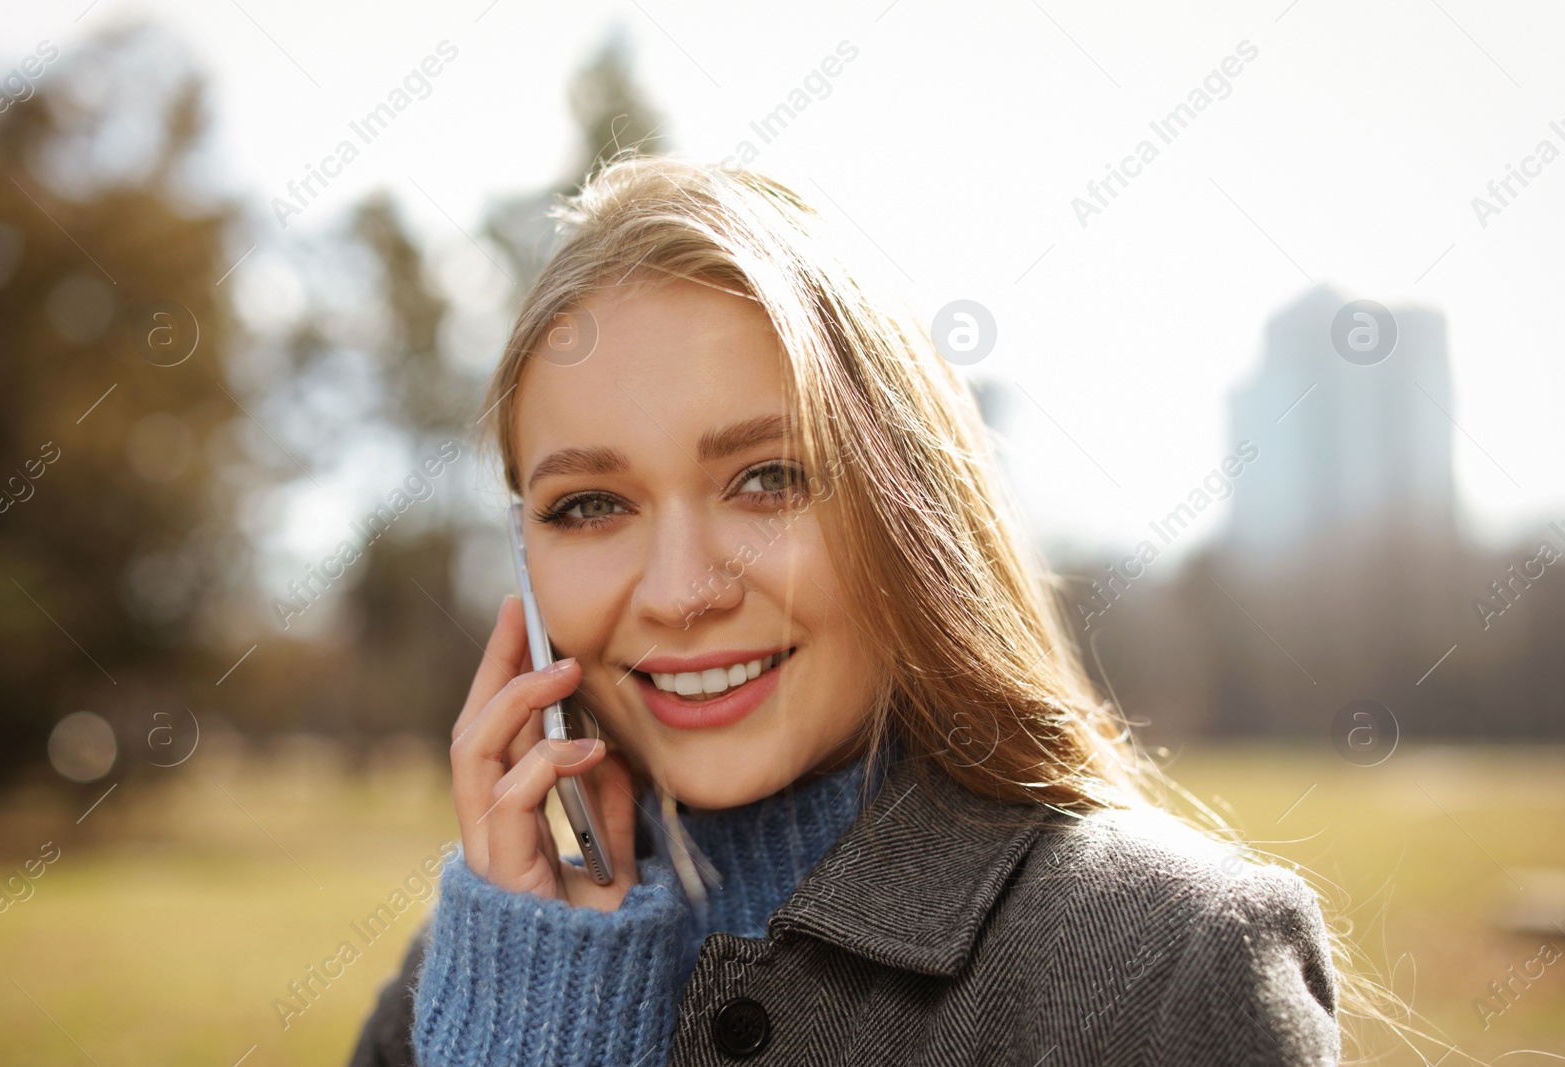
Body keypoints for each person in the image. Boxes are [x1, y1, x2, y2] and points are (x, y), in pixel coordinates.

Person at [347, 156, 1342, 1066]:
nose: (680, 591)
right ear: (526, 563)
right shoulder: (470, 974)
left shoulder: (1166, 966)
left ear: (907, 506)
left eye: (768, 478)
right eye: (591, 505)